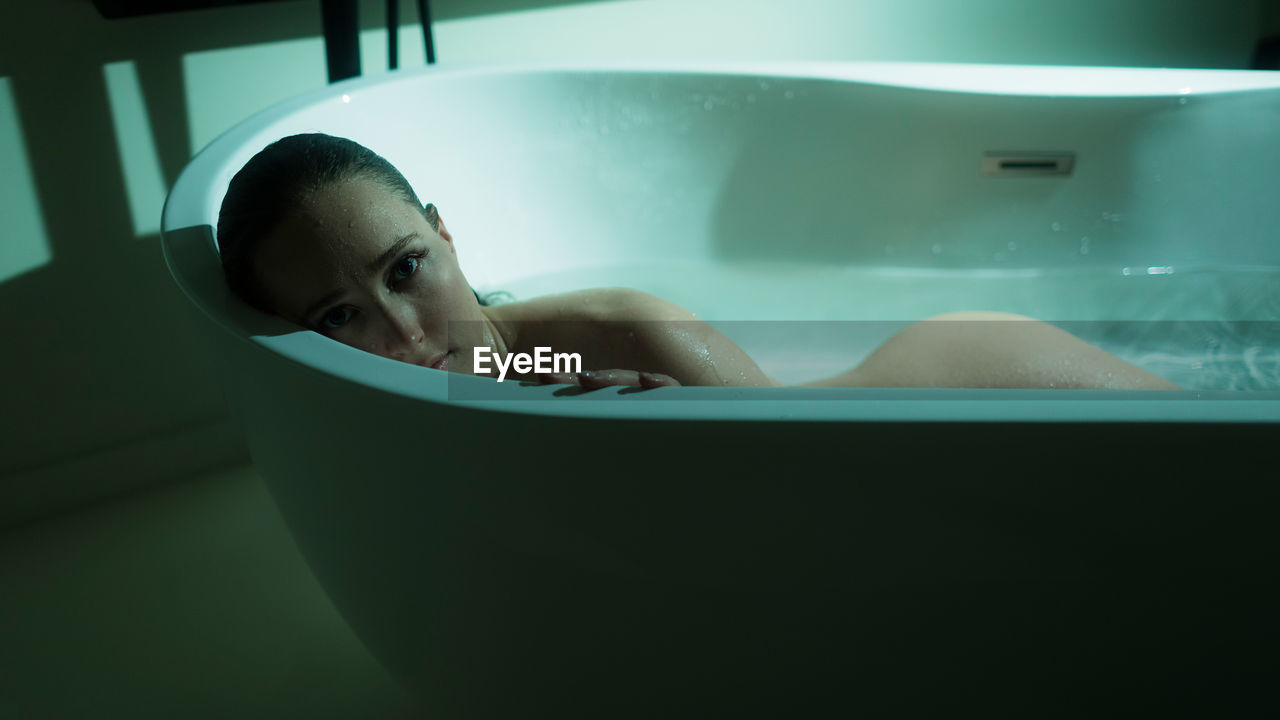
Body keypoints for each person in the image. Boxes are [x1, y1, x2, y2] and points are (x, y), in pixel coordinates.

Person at [216, 133, 1180, 391]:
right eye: (338, 316)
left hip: (974, 376)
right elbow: (516, 367)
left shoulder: (629, 328)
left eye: (405, 269)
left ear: (446, 231)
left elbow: (797, 474)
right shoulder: (498, 362)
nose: (403, 333)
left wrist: (662, 415)